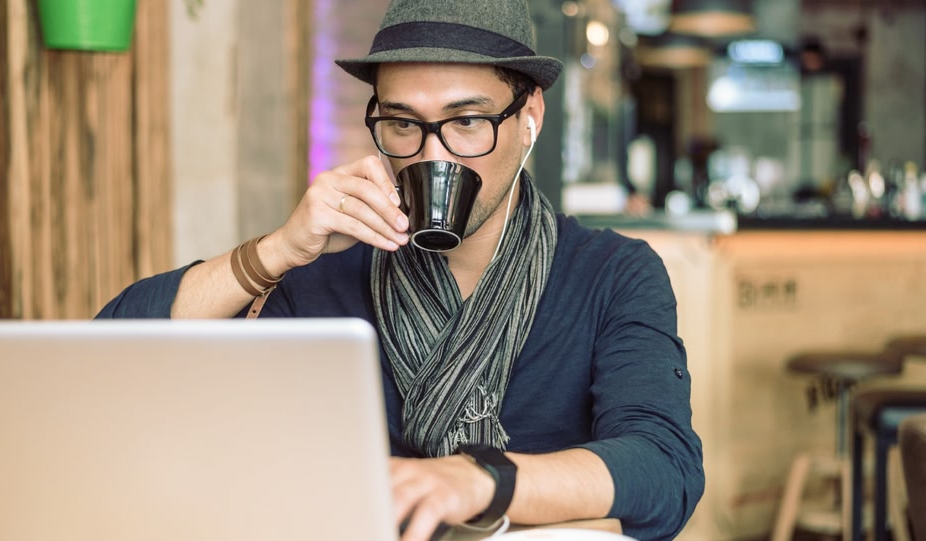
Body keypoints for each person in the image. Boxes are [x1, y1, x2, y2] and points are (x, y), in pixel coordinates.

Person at [97, 0, 705, 539]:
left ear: (530, 118)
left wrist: (479, 480)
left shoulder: (612, 273)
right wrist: (279, 250)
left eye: (467, 121)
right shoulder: (324, 272)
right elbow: (113, 361)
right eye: (403, 124)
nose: (432, 154)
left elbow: (663, 467)